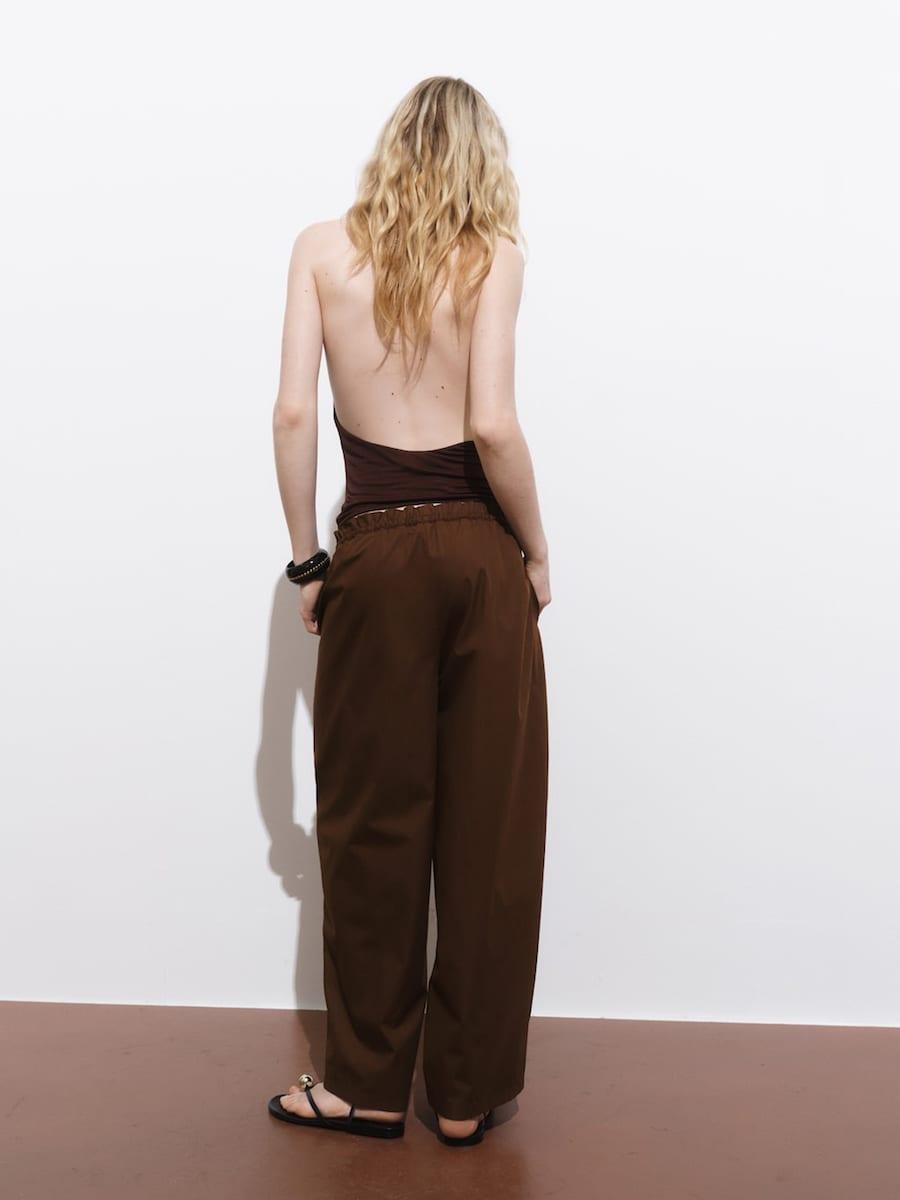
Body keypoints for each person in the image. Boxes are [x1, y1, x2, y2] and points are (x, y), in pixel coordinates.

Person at [268, 75, 550, 1147]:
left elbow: (293, 413)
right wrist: (536, 551)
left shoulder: (319, 251)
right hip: (479, 554)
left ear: (392, 146)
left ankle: (366, 1085)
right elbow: (495, 425)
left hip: (375, 556)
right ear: (484, 160)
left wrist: (309, 563)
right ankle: (466, 1095)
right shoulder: (495, 258)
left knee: (371, 821)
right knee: (489, 827)